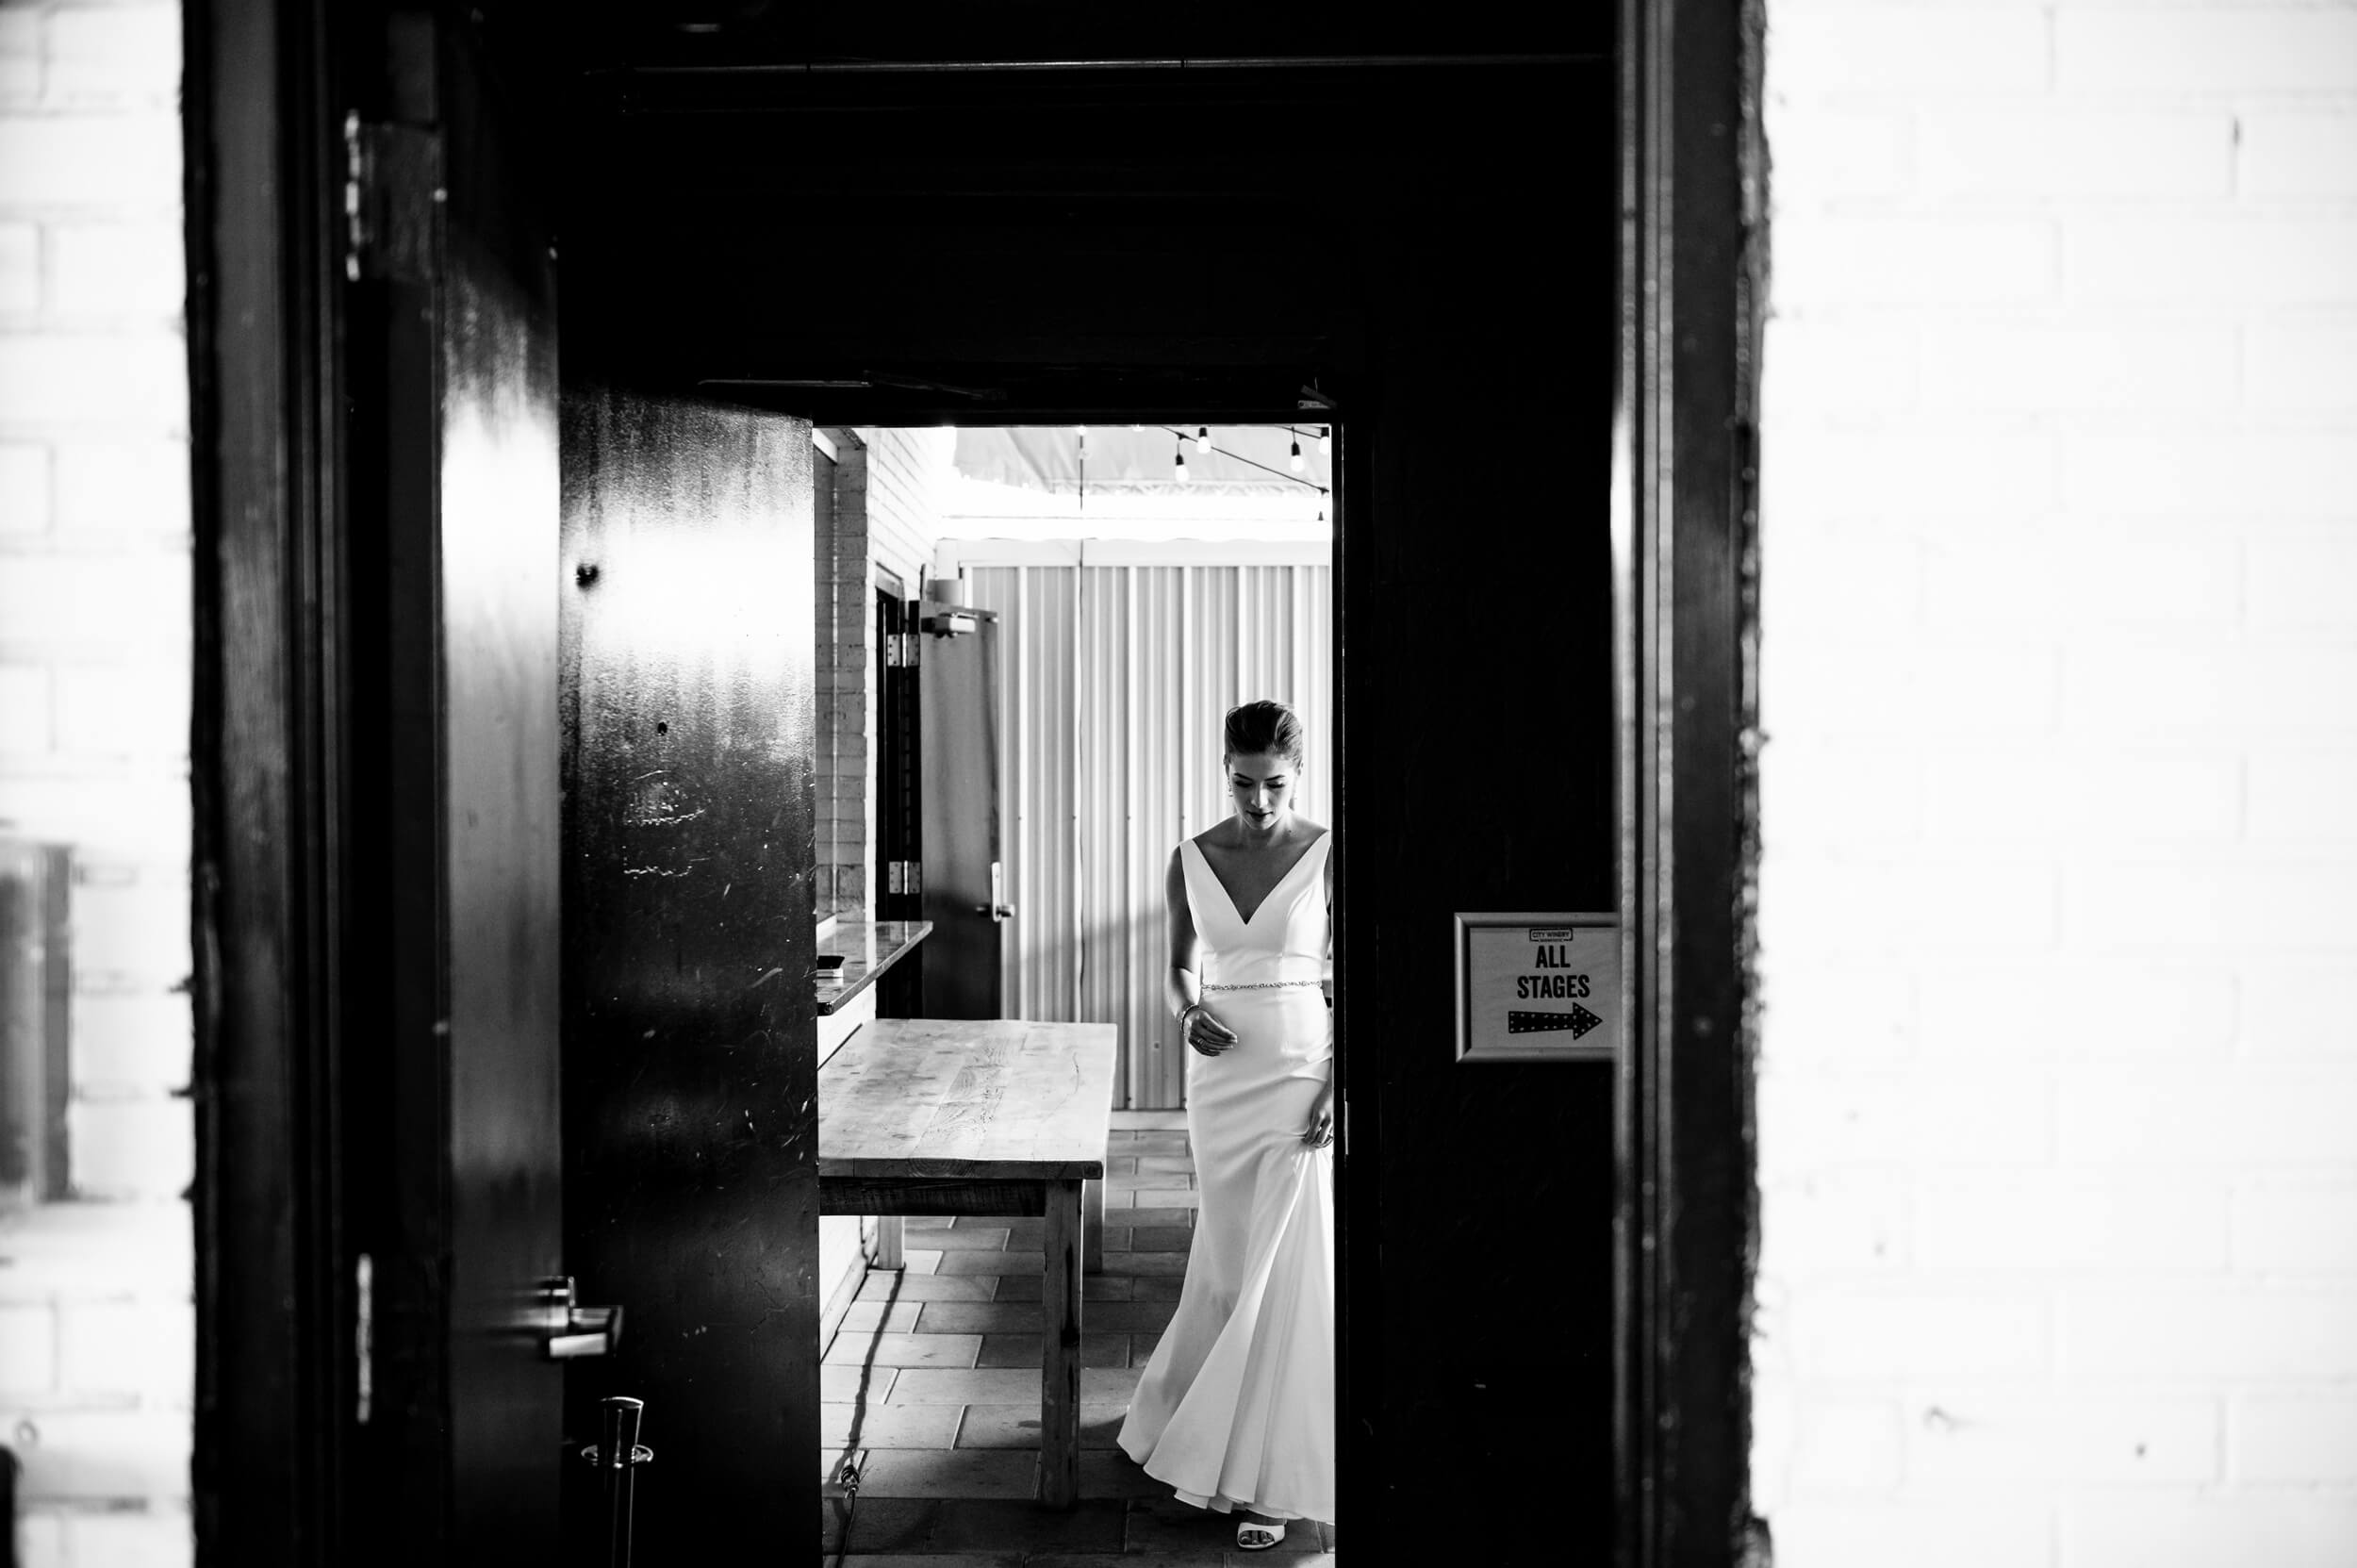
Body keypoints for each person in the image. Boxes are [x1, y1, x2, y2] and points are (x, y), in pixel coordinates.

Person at [1117, 699, 1335, 1551]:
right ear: (1225, 768)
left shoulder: (1325, 850)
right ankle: (1191, 1413)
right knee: (1229, 1251)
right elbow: (1177, 965)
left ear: (1297, 772)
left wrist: (1336, 1082)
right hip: (1219, 1075)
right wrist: (1185, 1012)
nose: (1259, 802)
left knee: (1286, 1261)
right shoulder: (1191, 858)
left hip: (1297, 1070)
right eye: (1244, 784)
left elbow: (1353, 968)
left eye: (1274, 784)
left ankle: (1268, 1477)